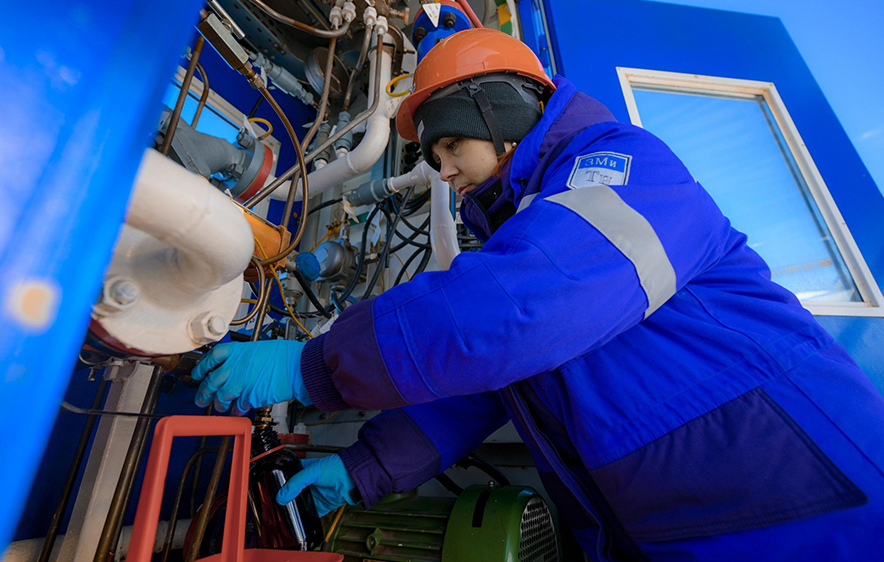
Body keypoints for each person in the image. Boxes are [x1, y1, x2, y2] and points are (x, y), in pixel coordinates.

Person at [191, 28, 884, 561]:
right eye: (432, 160)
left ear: (500, 109)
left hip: (811, 507)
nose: (444, 171)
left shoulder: (625, 166)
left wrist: (315, 366)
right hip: (690, 523)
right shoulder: (519, 234)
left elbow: (520, 310)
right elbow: (489, 382)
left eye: (450, 145)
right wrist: (365, 465)